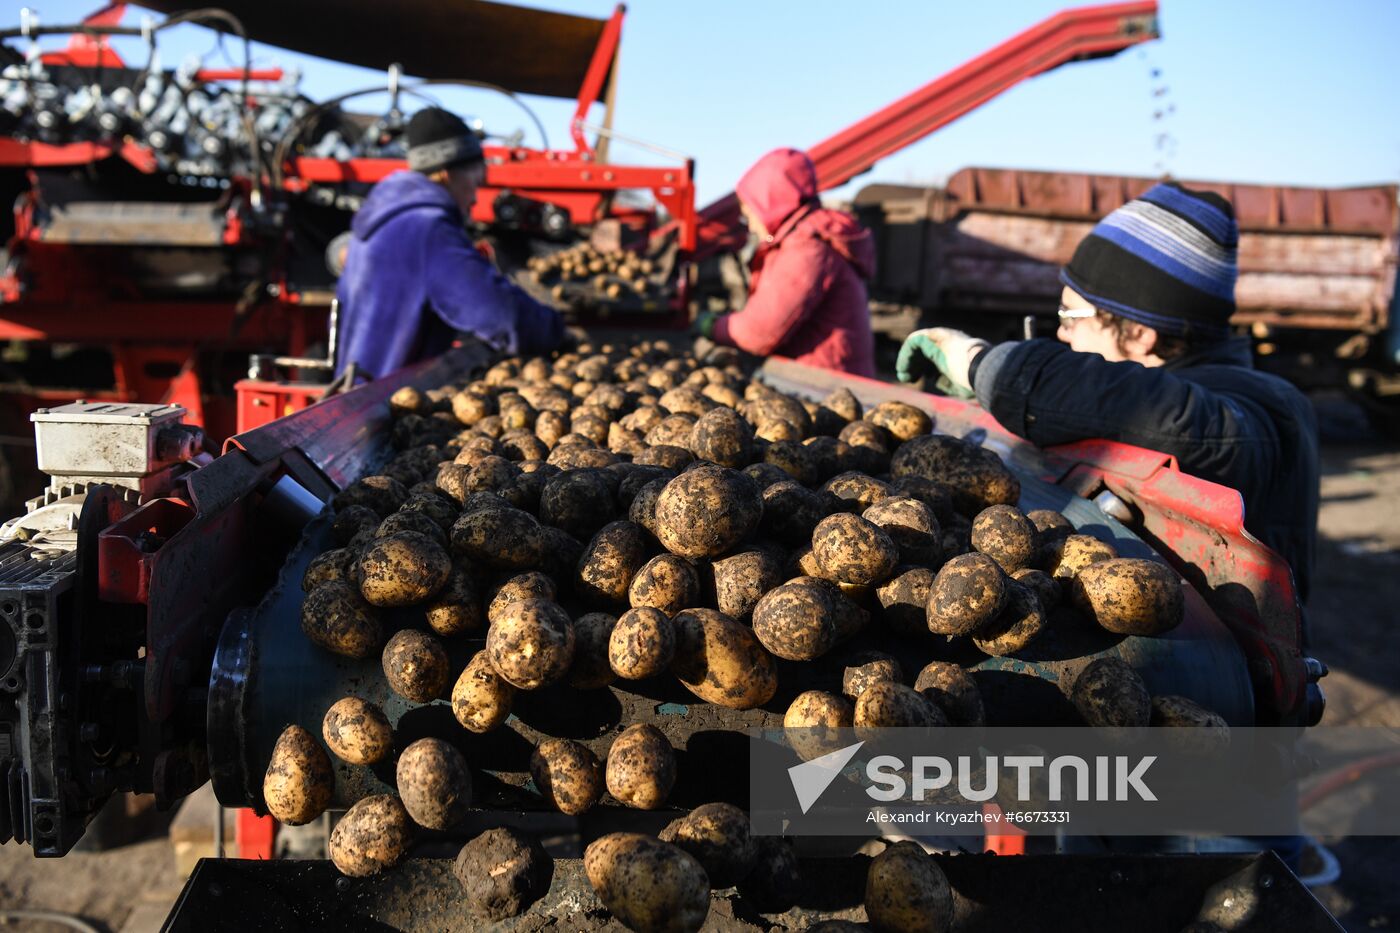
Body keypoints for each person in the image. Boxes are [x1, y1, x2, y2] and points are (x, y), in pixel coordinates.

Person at [896, 181, 1319, 600]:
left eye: (1071, 316)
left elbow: (1140, 406)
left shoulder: (1252, 416)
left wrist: (978, 363)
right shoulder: (1203, 393)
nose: (1062, 334)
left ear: (1138, 334)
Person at [335, 107, 564, 377]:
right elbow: (496, 312)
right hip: (385, 402)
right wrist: (555, 330)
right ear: (446, 175)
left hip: (358, 391)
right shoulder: (427, 228)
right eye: (475, 180)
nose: (476, 197)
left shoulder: (385, 216)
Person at [694, 148, 877, 377]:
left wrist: (712, 326)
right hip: (826, 375)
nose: (750, 226)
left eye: (750, 215)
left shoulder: (808, 248)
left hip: (826, 383)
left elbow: (759, 333)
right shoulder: (803, 238)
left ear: (771, 205)